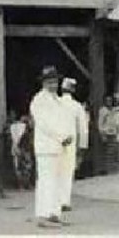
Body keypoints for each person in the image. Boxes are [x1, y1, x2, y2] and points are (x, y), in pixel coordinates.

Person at [30, 65, 72, 228]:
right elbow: (45, 124)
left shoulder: (56, 99)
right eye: (50, 82)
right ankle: (43, 215)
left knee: (57, 181)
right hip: (46, 147)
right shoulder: (39, 100)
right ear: (43, 83)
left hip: (58, 147)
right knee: (46, 181)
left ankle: (54, 213)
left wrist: (67, 135)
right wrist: (61, 136)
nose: (53, 85)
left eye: (55, 82)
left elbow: (61, 120)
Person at [59, 78, 89, 212]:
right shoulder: (77, 106)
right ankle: (65, 201)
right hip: (70, 143)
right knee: (67, 171)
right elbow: (83, 129)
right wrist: (83, 147)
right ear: (73, 90)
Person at [98, 96, 118, 174]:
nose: (109, 102)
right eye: (107, 101)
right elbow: (100, 123)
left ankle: (111, 168)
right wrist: (102, 134)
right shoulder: (103, 110)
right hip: (106, 133)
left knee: (112, 151)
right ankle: (106, 169)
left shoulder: (113, 110)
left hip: (113, 133)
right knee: (106, 152)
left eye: (110, 101)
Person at [9, 111, 27, 189]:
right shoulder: (24, 126)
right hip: (23, 148)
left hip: (15, 147)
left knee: (17, 166)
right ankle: (24, 184)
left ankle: (20, 185)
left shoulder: (12, 127)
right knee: (24, 166)